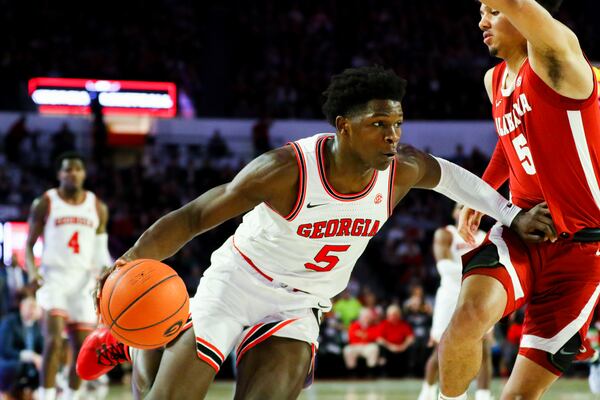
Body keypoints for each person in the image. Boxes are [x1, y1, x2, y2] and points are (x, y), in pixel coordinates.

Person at [78, 66, 552, 399]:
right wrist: (129, 260)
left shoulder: (401, 168)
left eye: (398, 123)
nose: (392, 135)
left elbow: (451, 177)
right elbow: (196, 215)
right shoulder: (284, 169)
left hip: (298, 306)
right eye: (379, 124)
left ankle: (149, 334)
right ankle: (138, 336)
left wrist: (511, 215)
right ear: (344, 127)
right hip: (234, 286)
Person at [438, 1, 600, 399]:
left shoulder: (558, 57)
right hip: (522, 232)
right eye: (481, 11)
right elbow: (509, 142)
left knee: (519, 396)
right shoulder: (494, 81)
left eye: (493, 11)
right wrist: (485, 191)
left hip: (584, 250)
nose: (482, 21)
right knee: (468, 317)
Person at [25, 152, 111, 400]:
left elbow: (100, 250)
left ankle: (71, 397)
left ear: (84, 173)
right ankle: (46, 395)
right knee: (53, 340)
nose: (72, 173)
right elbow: (29, 244)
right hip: (54, 277)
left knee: (83, 348)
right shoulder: (46, 202)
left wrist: (108, 273)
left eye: (77, 169)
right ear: (59, 174)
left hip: (84, 281)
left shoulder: (97, 206)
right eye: (67, 169)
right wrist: (32, 271)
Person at [418, 204, 491, 400]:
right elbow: (443, 267)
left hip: (477, 297)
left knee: (483, 347)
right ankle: (427, 391)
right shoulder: (446, 233)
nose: (466, 211)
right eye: (461, 207)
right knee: (440, 348)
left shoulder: (486, 236)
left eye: (473, 208)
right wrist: (478, 273)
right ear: (454, 213)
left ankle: (483, 395)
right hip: (450, 296)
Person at [0, 292, 43, 400]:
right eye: (30, 307)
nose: (32, 310)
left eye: (35, 307)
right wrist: (31, 356)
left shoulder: (36, 325)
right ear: (21, 307)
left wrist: (41, 358)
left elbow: (41, 348)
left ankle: (35, 392)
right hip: (10, 361)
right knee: (16, 365)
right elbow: (5, 350)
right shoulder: (9, 322)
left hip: (30, 365)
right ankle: (5, 393)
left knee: (46, 363)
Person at [376, 304, 414, 377]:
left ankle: (409, 371)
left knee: (412, 347)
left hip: (402, 347)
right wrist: (390, 346)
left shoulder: (403, 324)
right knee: (380, 347)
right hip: (388, 348)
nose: (394, 316)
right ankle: (383, 372)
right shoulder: (383, 324)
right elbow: (379, 339)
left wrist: (403, 346)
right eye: (392, 315)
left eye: (396, 314)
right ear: (387, 315)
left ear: (399, 315)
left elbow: (411, 338)